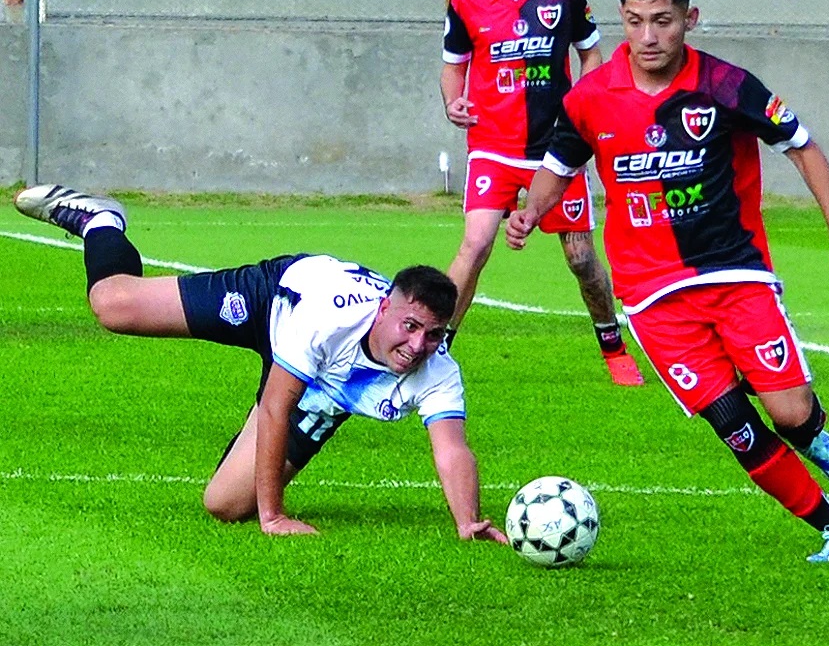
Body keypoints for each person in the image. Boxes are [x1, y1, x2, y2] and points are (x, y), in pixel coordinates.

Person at [506, 0, 829, 563]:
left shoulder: (728, 86)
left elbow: (803, 146)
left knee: (786, 411)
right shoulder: (591, 97)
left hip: (735, 274)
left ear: (690, 18)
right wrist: (530, 212)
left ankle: (810, 433)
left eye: (663, 21)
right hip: (651, 296)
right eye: (635, 23)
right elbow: (558, 165)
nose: (649, 37)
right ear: (622, 22)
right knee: (734, 425)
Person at [14, 184, 507, 543]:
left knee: (225, 505)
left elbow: (451, 448)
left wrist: (468, 521)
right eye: (410, 327)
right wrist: (274, 516)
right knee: (113, 306)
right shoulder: (325, 319)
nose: (419, 345)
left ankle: (248, 470)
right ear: (384, 309)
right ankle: (100, 221)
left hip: (324, 384)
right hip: (274, 299)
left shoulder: (437, 368)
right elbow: (276, 406)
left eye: (433, 334)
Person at [441, 0, 643, 386]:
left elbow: (591, 54)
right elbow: (454, 63)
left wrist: (586, 107)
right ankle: (436, 345)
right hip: (492, 144)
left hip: (555, 150)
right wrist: (453, 102)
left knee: (579, 256)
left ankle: (612, 345)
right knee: (477, 242)